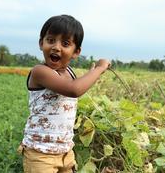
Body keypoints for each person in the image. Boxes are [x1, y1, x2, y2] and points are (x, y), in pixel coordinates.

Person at [18, 14, 111, 173]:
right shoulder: (40, 71)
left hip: (65, 152)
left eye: (65, 43)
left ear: (76, 52)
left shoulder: (69, 73)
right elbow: (73, 90)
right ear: (41, 43)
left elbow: (75, 86)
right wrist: (99, 69)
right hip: (40, 154)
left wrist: (91, 73)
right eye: (51, 40)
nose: (56, 47)